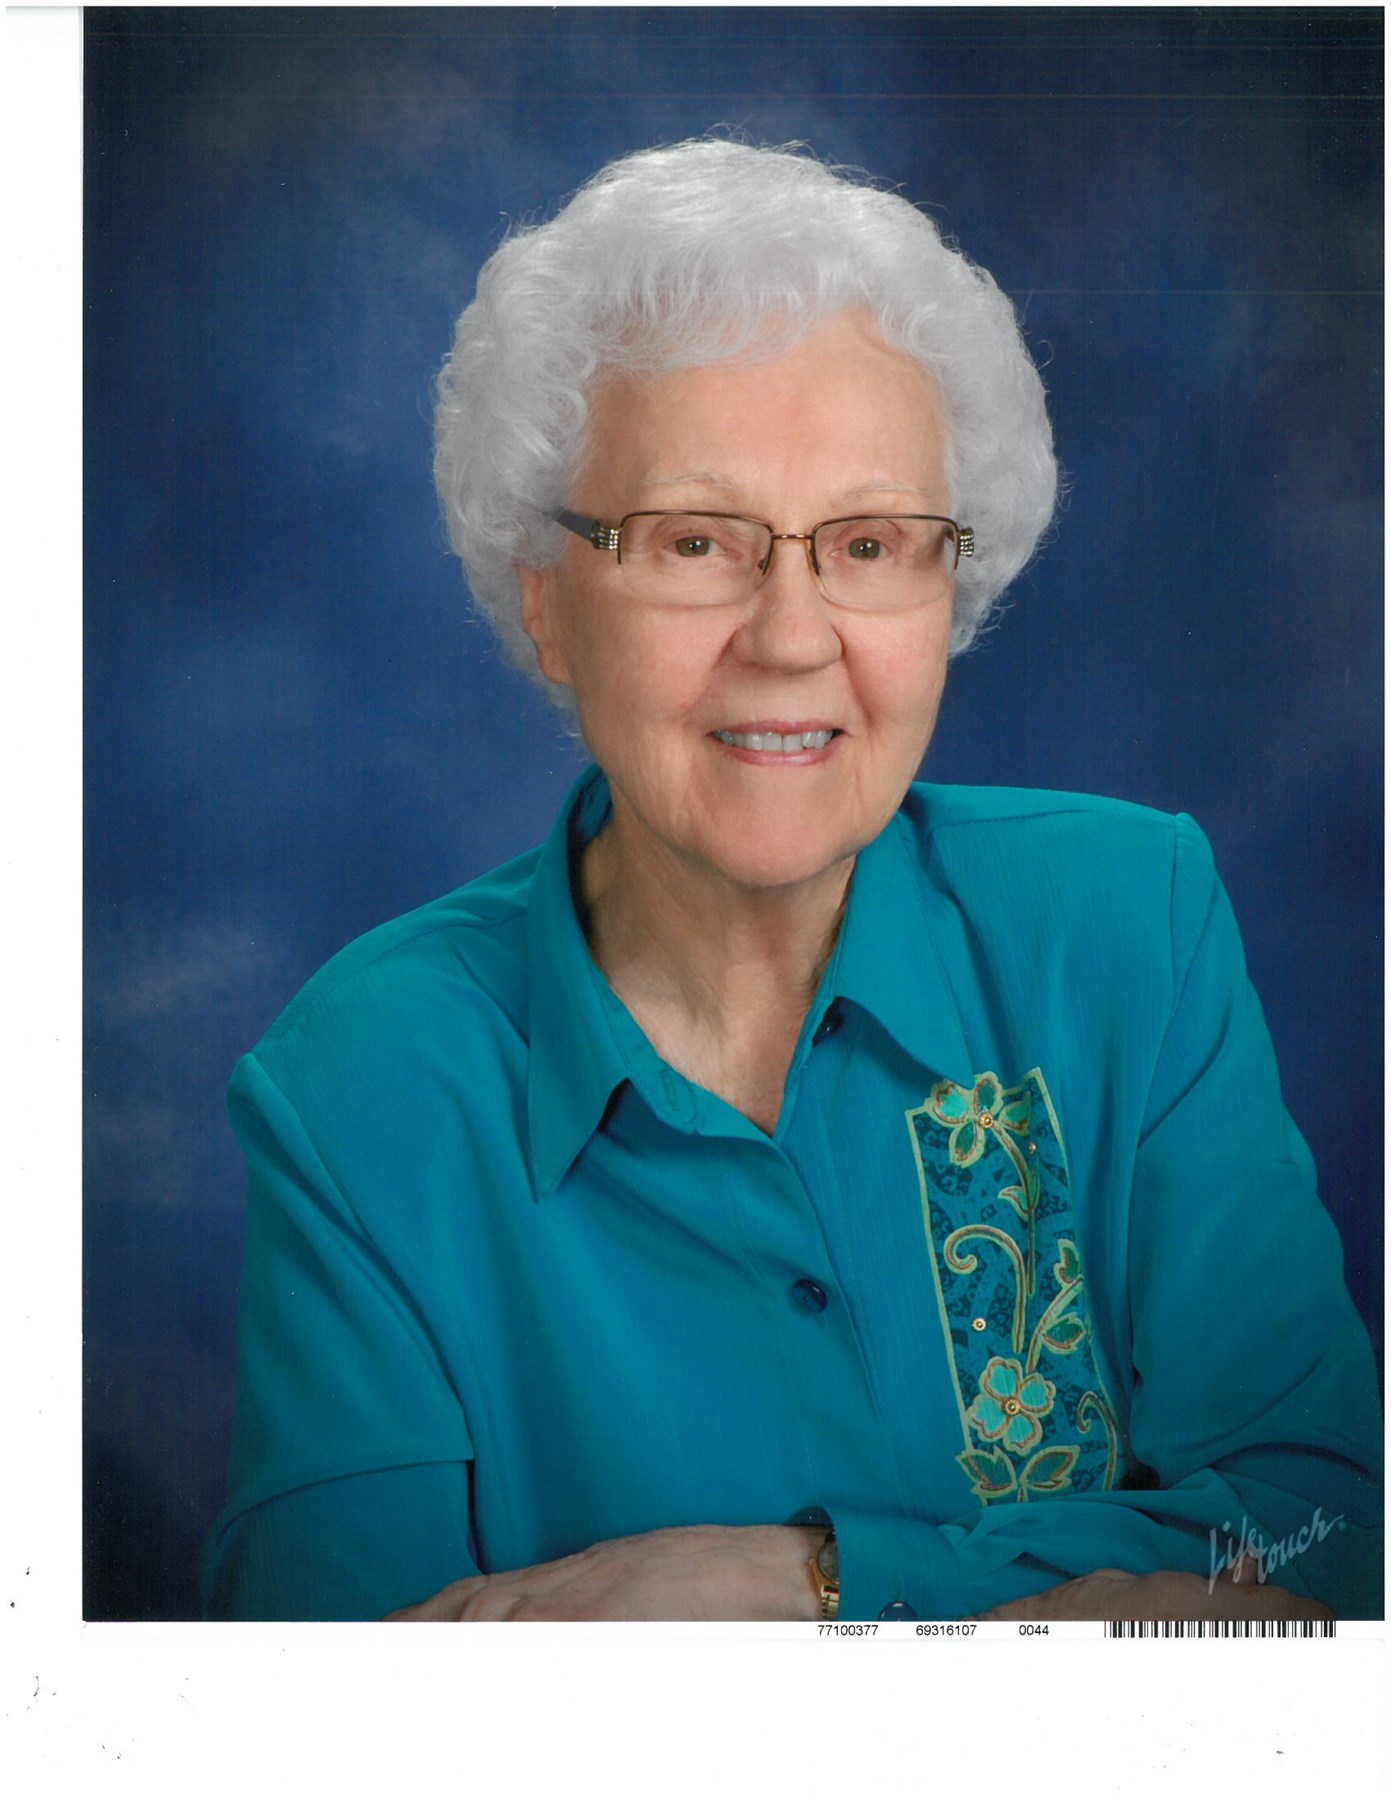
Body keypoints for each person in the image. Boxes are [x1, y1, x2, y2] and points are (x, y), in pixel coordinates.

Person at [201, 139, 1381, 1622]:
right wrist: (1070, 1610)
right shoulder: (359, 1089)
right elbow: (338, 1714)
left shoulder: (1128, 926)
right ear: (547, 602)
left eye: (871, 544)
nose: (791, 635)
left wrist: (811, 1586)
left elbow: (1325, 1549)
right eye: (697, 540)